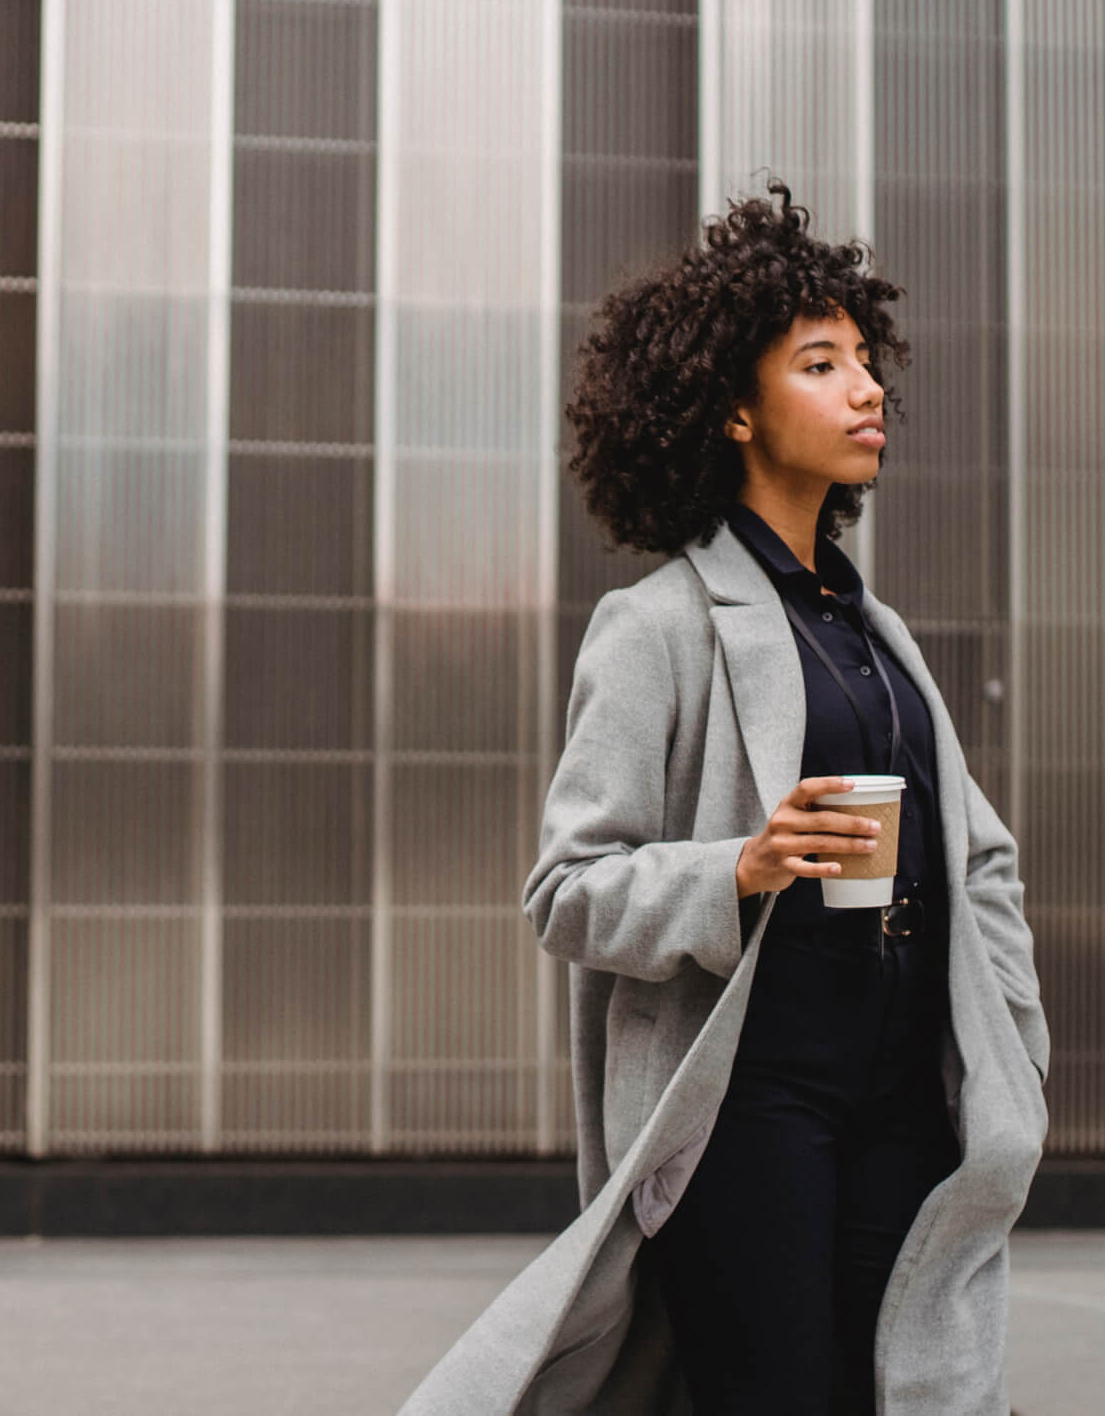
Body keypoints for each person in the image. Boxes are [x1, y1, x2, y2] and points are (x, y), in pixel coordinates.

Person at [398, 179, 1050, 1415]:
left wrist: (1012, 1037)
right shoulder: (655, 629)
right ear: (738, 412)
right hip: (752, 1103)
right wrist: (738, 869)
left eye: (867, 361)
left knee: (916, 1395)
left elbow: (980, 860)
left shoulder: (878, 633)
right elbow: (566, 891)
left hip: (908, 1093)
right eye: (821, 364)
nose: (866, 390)